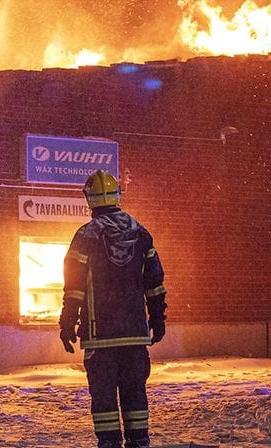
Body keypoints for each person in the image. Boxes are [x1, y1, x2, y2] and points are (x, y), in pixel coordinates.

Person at [59, 170, 167, 448]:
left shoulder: (86, 236)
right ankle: (139, 441)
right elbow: (154, 283)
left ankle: (109, 443)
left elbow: (74, 287)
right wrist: (157, 318)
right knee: (134, 393)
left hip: (101, 335)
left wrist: (67, 322)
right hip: (135, 336)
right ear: (117, 195)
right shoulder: (141, 233)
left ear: (89, 199)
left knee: (104, 397)